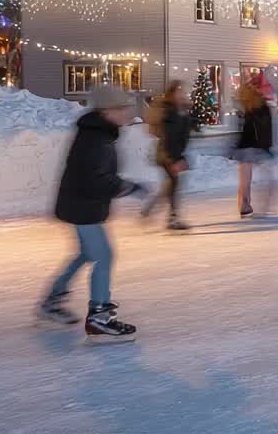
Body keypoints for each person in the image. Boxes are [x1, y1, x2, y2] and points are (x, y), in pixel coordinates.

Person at [37, 85, 144, 343]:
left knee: (87, 254)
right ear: (107, 111)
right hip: (82, 206)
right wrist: (125, 187)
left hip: (80, 204)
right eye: (123, 108)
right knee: (104, 256)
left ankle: (53, 300)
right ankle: (99, 317)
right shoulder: (95, 138)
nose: (128, 113)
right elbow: (93, 180)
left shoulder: (99, 133)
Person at [143, 80, 193, 230]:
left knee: (171, 184)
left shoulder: (180, 110)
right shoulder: (169, 112)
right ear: (173, 93)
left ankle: (150, 209)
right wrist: (174, 159)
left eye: (184, 91)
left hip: (173, 152)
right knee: (173, 183)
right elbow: (168, 137)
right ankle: (172, 218)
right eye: (180, 91)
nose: (183, 94)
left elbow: (183, 133)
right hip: (167, 153)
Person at [235, 81, 274, 218]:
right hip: (257, 147)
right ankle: (264, 206)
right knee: (268, 178)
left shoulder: (245, 106)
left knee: (245, 181)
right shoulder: (261, 105)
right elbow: (265, 128)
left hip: (244, 146)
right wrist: (267, 146)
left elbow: (242, 128)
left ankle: (244, 206)